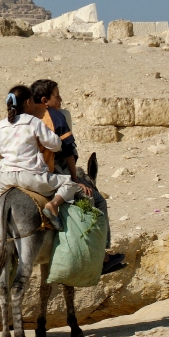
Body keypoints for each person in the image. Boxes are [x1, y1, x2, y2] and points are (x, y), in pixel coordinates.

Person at [0, 85, 86, 235]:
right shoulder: (33, 122)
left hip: (5, 176)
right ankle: (53, 205)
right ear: (28, 103)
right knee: (68, 183)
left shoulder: (2, 124)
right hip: (30, 175)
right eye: (33, 101)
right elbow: (54, 144)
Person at [30, 79, 125, 276]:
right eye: (58, 95)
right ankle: (103, 257)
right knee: (96, 201)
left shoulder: (24, 117)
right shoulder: (57, 116)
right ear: (46, 100)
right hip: (51, 170)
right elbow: (68, 153)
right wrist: (74, 178)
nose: (61, 99)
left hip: (19, 171)